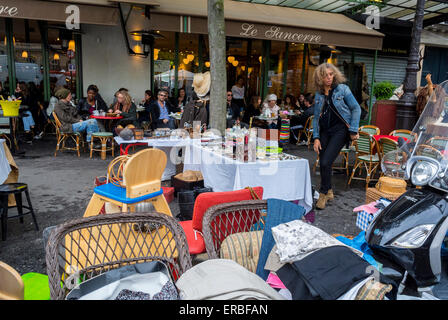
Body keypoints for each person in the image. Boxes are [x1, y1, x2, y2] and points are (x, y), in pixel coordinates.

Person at [312, 63, 361, 210]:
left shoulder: (342, 89)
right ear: (319, 77)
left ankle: (322, 194)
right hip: (325, 131)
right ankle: (329, 190)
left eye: (331, 74)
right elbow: (315, 118)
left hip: (340, 130)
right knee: (323, 160)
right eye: (325, 75)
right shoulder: (319, 95)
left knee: (326, 161)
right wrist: (316, 137)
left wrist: (353, 130)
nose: (328, 78)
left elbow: (356, 108)